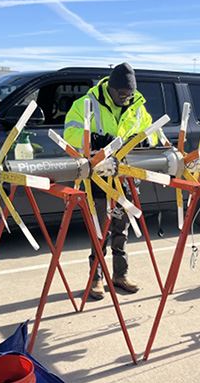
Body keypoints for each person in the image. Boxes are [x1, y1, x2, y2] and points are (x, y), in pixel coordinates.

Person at [64, 62, 157, 300]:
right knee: (99, 231)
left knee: (121, 229)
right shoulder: (86, 104)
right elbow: (70, 133)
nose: (126, 98)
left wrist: (147, 141)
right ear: (110, 89)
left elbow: (153, 132)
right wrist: (95, 138)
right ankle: (96, 278)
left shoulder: (137, 106)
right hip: (99, 176)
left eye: (129, 94)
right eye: (122, 94)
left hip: (125, 176)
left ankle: (120, 275)